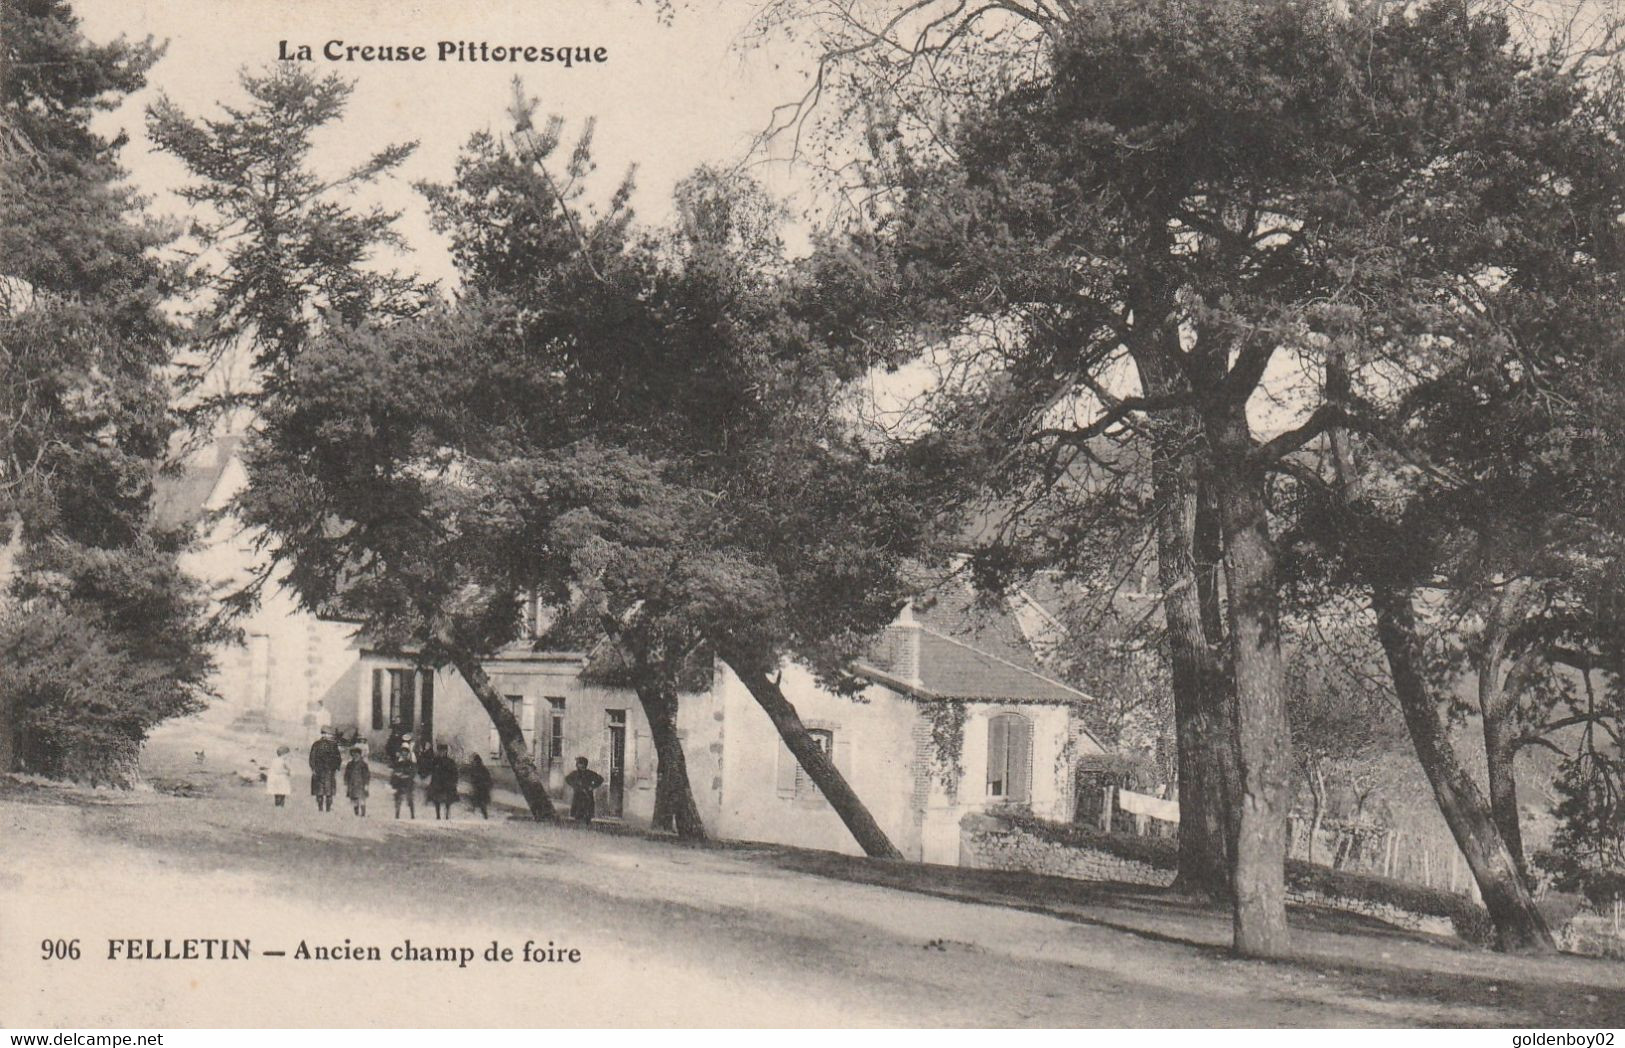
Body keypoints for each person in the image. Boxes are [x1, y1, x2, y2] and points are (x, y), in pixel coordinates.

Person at [308, 727, 343, 813]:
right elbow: (338, 758)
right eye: (328, 734)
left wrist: (313, 768)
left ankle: (321, 808)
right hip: (329, 771)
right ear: (325, 734)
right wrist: (337, 768)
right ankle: (327, 809)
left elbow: (312, 758)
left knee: (319, 790)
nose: (329, 736)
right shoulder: (333, 745)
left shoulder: (316, 744)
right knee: (329, 791)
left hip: (319, 771)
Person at [564, 756, 604, 825]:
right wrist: (574, 785)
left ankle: (587, 822)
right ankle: (578, 823)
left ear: (585, 765)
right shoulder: (575, 773)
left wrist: (592, 786)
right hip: (578, 794)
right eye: (578, 764)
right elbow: (567, 779)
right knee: (577, 812)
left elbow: (600, 779)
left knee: (587, 811)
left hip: (587, 795)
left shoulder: (590, 773)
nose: (579, 765)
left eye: (581, 763)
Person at [426, 743, 459, 820]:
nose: (441, 753)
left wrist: (454, 781)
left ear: (446, 751)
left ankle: (447, 815)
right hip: (437, 783)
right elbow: (432, 771)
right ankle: (438, 815)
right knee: (436, 799)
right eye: (440, 751)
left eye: (443, 751)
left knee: (448, 800)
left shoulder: (450, 761)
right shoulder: (435, 761)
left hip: (447, 783)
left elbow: (455, 773)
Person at [390, 745, 417, 820]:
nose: (404, 754)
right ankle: (397, 814)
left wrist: (406, 775)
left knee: (410, 798)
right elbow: (394, 773)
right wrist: (396, 775)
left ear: (408, 754)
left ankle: (412, 815)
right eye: (403, 753)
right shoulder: (398, 763)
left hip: (408, 783)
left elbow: (413, 773)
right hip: (399, 783)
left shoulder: (411, 764)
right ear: (401, 754)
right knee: (398, 798)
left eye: (406, 753)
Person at [343, 746, 371, 817]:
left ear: (360, 754)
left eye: (357, 754)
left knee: (361, 799)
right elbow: (346, 774)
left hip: (361, 784)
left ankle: (363, 814)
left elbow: (367, 775)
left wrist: (366, 784)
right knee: (354, 799)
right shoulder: (349, 764)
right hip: (352, 784)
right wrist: (346, 783)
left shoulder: (363, 764)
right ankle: (356, 814)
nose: (355, 755)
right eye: (353, 754)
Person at [465, 753, 493, 820]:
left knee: (481, 803)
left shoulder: (481, 769)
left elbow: (488, 779)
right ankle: (476, 813)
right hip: (478, 789)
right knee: (475, 801)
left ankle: (484, 816)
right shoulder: (474, 769)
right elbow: (472, 779)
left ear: (477, 761)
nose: (472, 762)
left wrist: (486, 787)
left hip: (482, 789)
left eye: (473, 761)